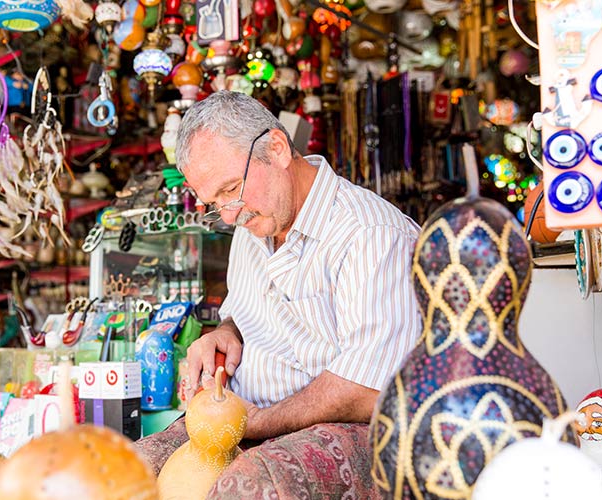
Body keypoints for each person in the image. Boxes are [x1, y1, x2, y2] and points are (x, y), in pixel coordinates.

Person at [135, 91, 422, 498]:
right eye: (216, 204)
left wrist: (259, 422)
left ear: (277, 148)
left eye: (232, 189)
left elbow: (368, 388)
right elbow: (242, 314)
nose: (230, 214)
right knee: (128, 469)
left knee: (247, 488)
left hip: (347, 429)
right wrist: (224, 333)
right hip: (246, 418)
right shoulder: (254, 226)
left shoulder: (372, 235)